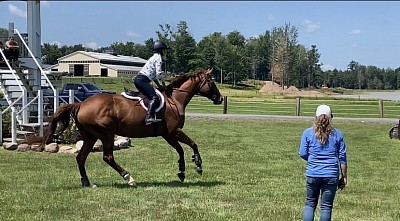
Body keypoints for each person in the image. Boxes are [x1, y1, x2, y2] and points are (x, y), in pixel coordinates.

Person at [299, 104, 347, 221]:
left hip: (313, 173)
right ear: (331, 117)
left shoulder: (308, 133)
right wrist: (344, 177)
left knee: (310, 204)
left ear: (316, 117)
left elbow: (302, 153)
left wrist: (312, 160)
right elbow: (342, 158)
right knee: (326, 207)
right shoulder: (338, 134)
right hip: (331, 175)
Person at [133, 40, 169, 125]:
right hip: (142, 80)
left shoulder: (154, 57)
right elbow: (158, 74)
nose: (165, 51)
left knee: (150, 96)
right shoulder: (158, 58)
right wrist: (164, 84)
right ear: (161, 50)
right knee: (154, 98)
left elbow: (153, 76)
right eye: (164, 50)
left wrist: (158, 85)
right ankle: (149, 117)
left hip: (140, 79)